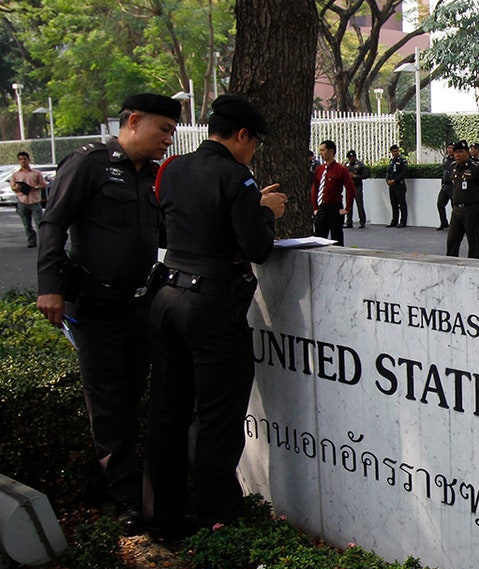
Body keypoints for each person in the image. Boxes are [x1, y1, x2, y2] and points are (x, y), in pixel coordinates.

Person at [36, 93, 181, 531]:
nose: (168, 140)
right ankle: (126, 498)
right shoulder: (89, 163)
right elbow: (53, 223)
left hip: (138, 303)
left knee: (131, 394)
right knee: (108, 403)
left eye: (173, 132)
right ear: (134, 121)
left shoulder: (152, 177)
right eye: (163, 130)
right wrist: (50, 288)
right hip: (95, 303)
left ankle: (100, 482)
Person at [146, 93, 287, 536]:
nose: (254, 151)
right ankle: (217, 521)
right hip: (211, 307)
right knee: (218, 419)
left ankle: (162, 518)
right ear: (241, 135)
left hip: (167, 296)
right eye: (255, 143)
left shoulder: (173, 168)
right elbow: (257, 249)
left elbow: (173, 227)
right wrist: (264, 212)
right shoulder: (237, 177)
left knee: (167, 413)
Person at [445, 140, 479, 258]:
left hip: (471, 210)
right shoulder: (452, 167)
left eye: (461, 152)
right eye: (456, 152)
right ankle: (451, 267)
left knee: (473, 242)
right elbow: (450, 185)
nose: (458, 155)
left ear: (467, 153)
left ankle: (474, 267)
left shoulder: (475, 168)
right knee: (452, 241)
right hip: (457, 210)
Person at [311, 140, 354, 246]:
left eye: (323, 150)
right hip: (322, 207)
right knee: (319, 237)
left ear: (331, 151)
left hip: (335, 207)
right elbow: (315, 189)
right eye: (319, 151)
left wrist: (347, 208)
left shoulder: (341, 169)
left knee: (336, 237)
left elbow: (350, 188)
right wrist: (315, 208)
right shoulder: (319, 169)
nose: (320, 153)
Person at [10, 151, 48, 248]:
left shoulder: (36, 173)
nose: (23, 161)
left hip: (35, 201)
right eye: (21, 159)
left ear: (29, 160)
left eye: (25, 159)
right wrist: (17, 188)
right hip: (22, 201)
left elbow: (43, 184)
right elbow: (13, 187)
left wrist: (35, 187)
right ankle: (31, 241)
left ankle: (44, 242)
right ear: (18, 161)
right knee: (27, 224)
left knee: (39, 223)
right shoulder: (16, 175)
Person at [344, 150, 370, 228]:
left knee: (359, 204)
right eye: (349, 158)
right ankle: (349, 222)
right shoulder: (346, 165)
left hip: (357, 186)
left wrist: (356, 176)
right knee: (349, 205)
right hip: (349, 187)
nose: (351, 159)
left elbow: (365, 175)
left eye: (352, 157)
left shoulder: (360, 165)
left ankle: (362, 222)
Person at [385, 144, 408, 228]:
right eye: (393, 151)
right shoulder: (391, 161)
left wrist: (395, 180)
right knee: (394, 204)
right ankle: (394, 221)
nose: (395, 153)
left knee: (402, 204)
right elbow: (388, 172)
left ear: (398, 151)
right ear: (391, 152)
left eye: (396, 151)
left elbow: (404, 172)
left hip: (399, 185)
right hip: (392, 186)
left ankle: (403, 222)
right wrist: (387, 180)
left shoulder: (402, 160)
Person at [436, 142, 456, 231]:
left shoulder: (457, 160)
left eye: (452, 148)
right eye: (449, 148)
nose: (450, 150)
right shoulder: (445, 159)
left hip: (453, 186)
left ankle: (455, 225)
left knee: (454, 206)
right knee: (440, 204)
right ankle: (444, 222)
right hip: (445, 186)